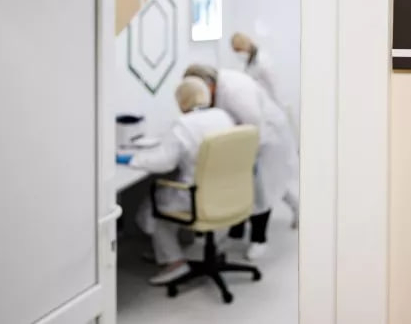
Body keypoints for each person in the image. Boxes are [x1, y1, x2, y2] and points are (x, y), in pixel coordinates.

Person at [127, 76, 235, 285]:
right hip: (225, 191)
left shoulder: (183, 124)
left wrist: (133, 159)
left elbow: (165, 163)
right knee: (166, 203)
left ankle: (174, 261)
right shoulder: (221, 116)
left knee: (152, 207)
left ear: (182, 101)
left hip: (196, 196)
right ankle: (165, 251)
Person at [184, 64, 297, 259]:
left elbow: (253, 126)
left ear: (208, 83)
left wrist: (240, 156)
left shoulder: (235, 90)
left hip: (267, 139)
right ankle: (238, 232)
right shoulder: (218, 86)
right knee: (265, 184)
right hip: (252, 139)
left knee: (261, 190)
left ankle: (259, 239)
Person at [231, 33, 300, 228]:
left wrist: (275, 115)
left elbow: (274, 92)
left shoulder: (263, 62)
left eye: (238, 50)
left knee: (269, 178)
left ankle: (294, 207)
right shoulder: (251, 63)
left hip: (272, 124)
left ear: (246, 46)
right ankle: (294, 207)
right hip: (264, 121)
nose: (238, 54)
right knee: (268, 178)